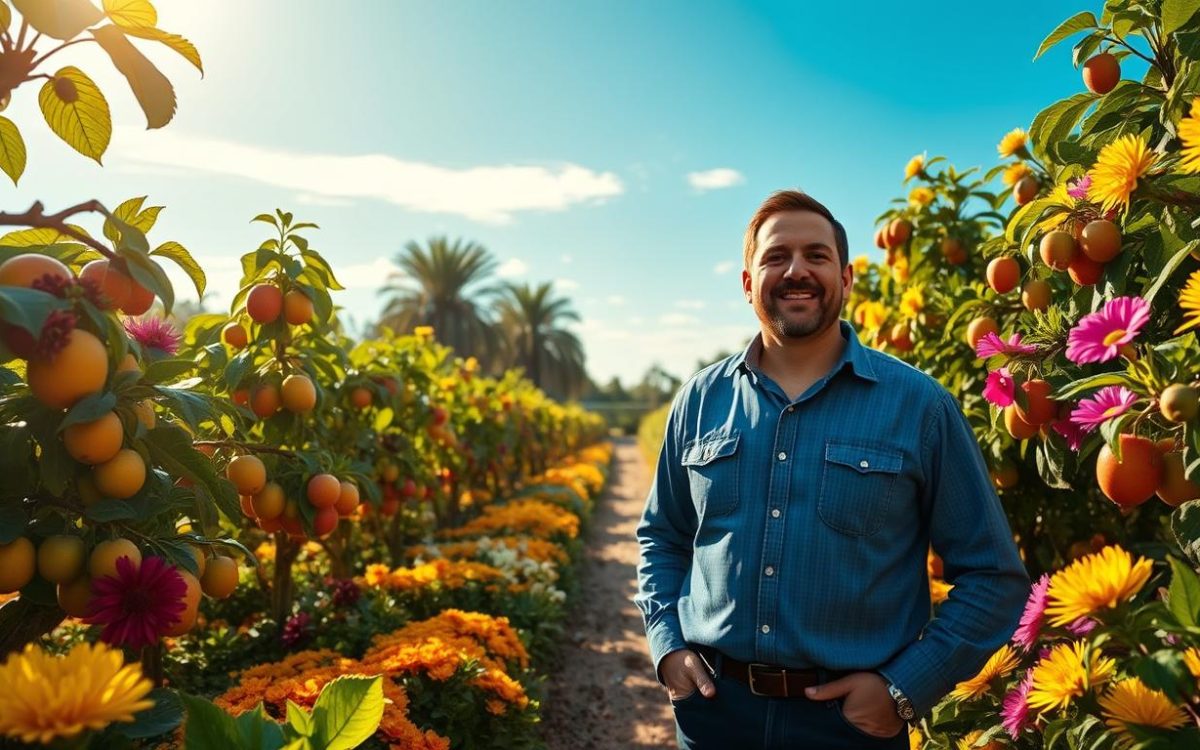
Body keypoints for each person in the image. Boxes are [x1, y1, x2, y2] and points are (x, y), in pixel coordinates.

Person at [634, 190, 1030, 748]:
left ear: (845, 279)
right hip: (713, 715)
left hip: (851, 727)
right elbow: (662, 537)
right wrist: (668, 645)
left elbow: (992, 576)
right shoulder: (700, 400)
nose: (797, 270)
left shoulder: (919, 406)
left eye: (816, 256)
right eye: (776, 257)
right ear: (748, 282)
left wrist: (904, 689)